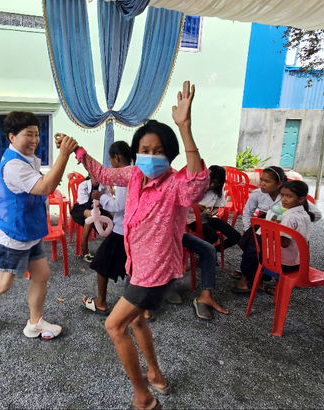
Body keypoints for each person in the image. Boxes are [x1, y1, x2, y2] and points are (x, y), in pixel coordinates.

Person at [68, 81, 209, 410]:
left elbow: (198, 184)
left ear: (169, 154)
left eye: (158, 150)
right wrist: (78, 152)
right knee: (135, 321)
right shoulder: (133, 175)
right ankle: (156, 375)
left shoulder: (175, 185)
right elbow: (103, 172)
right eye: (144, 150)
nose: (150, 156)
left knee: (114, 325)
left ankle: (144, 398)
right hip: (137, 266)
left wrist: (185, 128)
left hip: (155, 273)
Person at [0, 111, 78, 340]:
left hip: (30, 232)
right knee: (2, 284)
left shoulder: (26, 159)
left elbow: (41, 182)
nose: (35, 140)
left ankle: (35, 323)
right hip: (12, 236)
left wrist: (60, 153)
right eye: (29, 135)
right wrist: (64, 155)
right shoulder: (13, 166)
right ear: (12, 137)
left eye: (37, 134)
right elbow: (45, 187)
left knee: (42, 274)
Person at [232, 166, 322, 293]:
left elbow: (317, 214)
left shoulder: (290, 196)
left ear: (279, 184)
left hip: (280, 227)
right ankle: (252, 276)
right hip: (264, 223)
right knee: (252, 241)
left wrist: (300, 223)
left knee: (258, 245)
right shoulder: (258, 194)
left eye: (267, 181)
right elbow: (247, 212)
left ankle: (256, 276)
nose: (262, 184)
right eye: (261, 180)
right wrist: (248, 229)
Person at [82, 141, 131, 314]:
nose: (111, 164)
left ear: (117, 158)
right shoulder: (135, 173)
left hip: (122, 229)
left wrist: (102, 197)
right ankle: (140, 306)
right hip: (127, 228)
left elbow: (119, 205)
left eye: (111, 160)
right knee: (132, 268)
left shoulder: (125, 177)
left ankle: (101, 302)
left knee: (101, 263)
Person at [199, 165, 241, 249]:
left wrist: (212, 213)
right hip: (193, 219)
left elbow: (216, 208)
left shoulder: (218, 189)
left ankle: (213, 251)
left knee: (236, 236)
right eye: (211, 181)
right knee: (212, 236)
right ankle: (204, 254)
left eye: (217, 183)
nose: (213, 185)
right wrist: (197, 207)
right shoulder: (197, 186)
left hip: (206, 217)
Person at [71, 174, 110, 261]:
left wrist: (101, 204)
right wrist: (98, 203)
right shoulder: (84, 185)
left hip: (98, 210)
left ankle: (107, 250)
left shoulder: (104, 186)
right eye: (95, 176)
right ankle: (84, 247)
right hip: (82, 209)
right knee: (92, 215)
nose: (97, 179)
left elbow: (108, 201)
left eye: (99, 177)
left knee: (108, 223)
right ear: (90, 176)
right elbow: (83, 202)